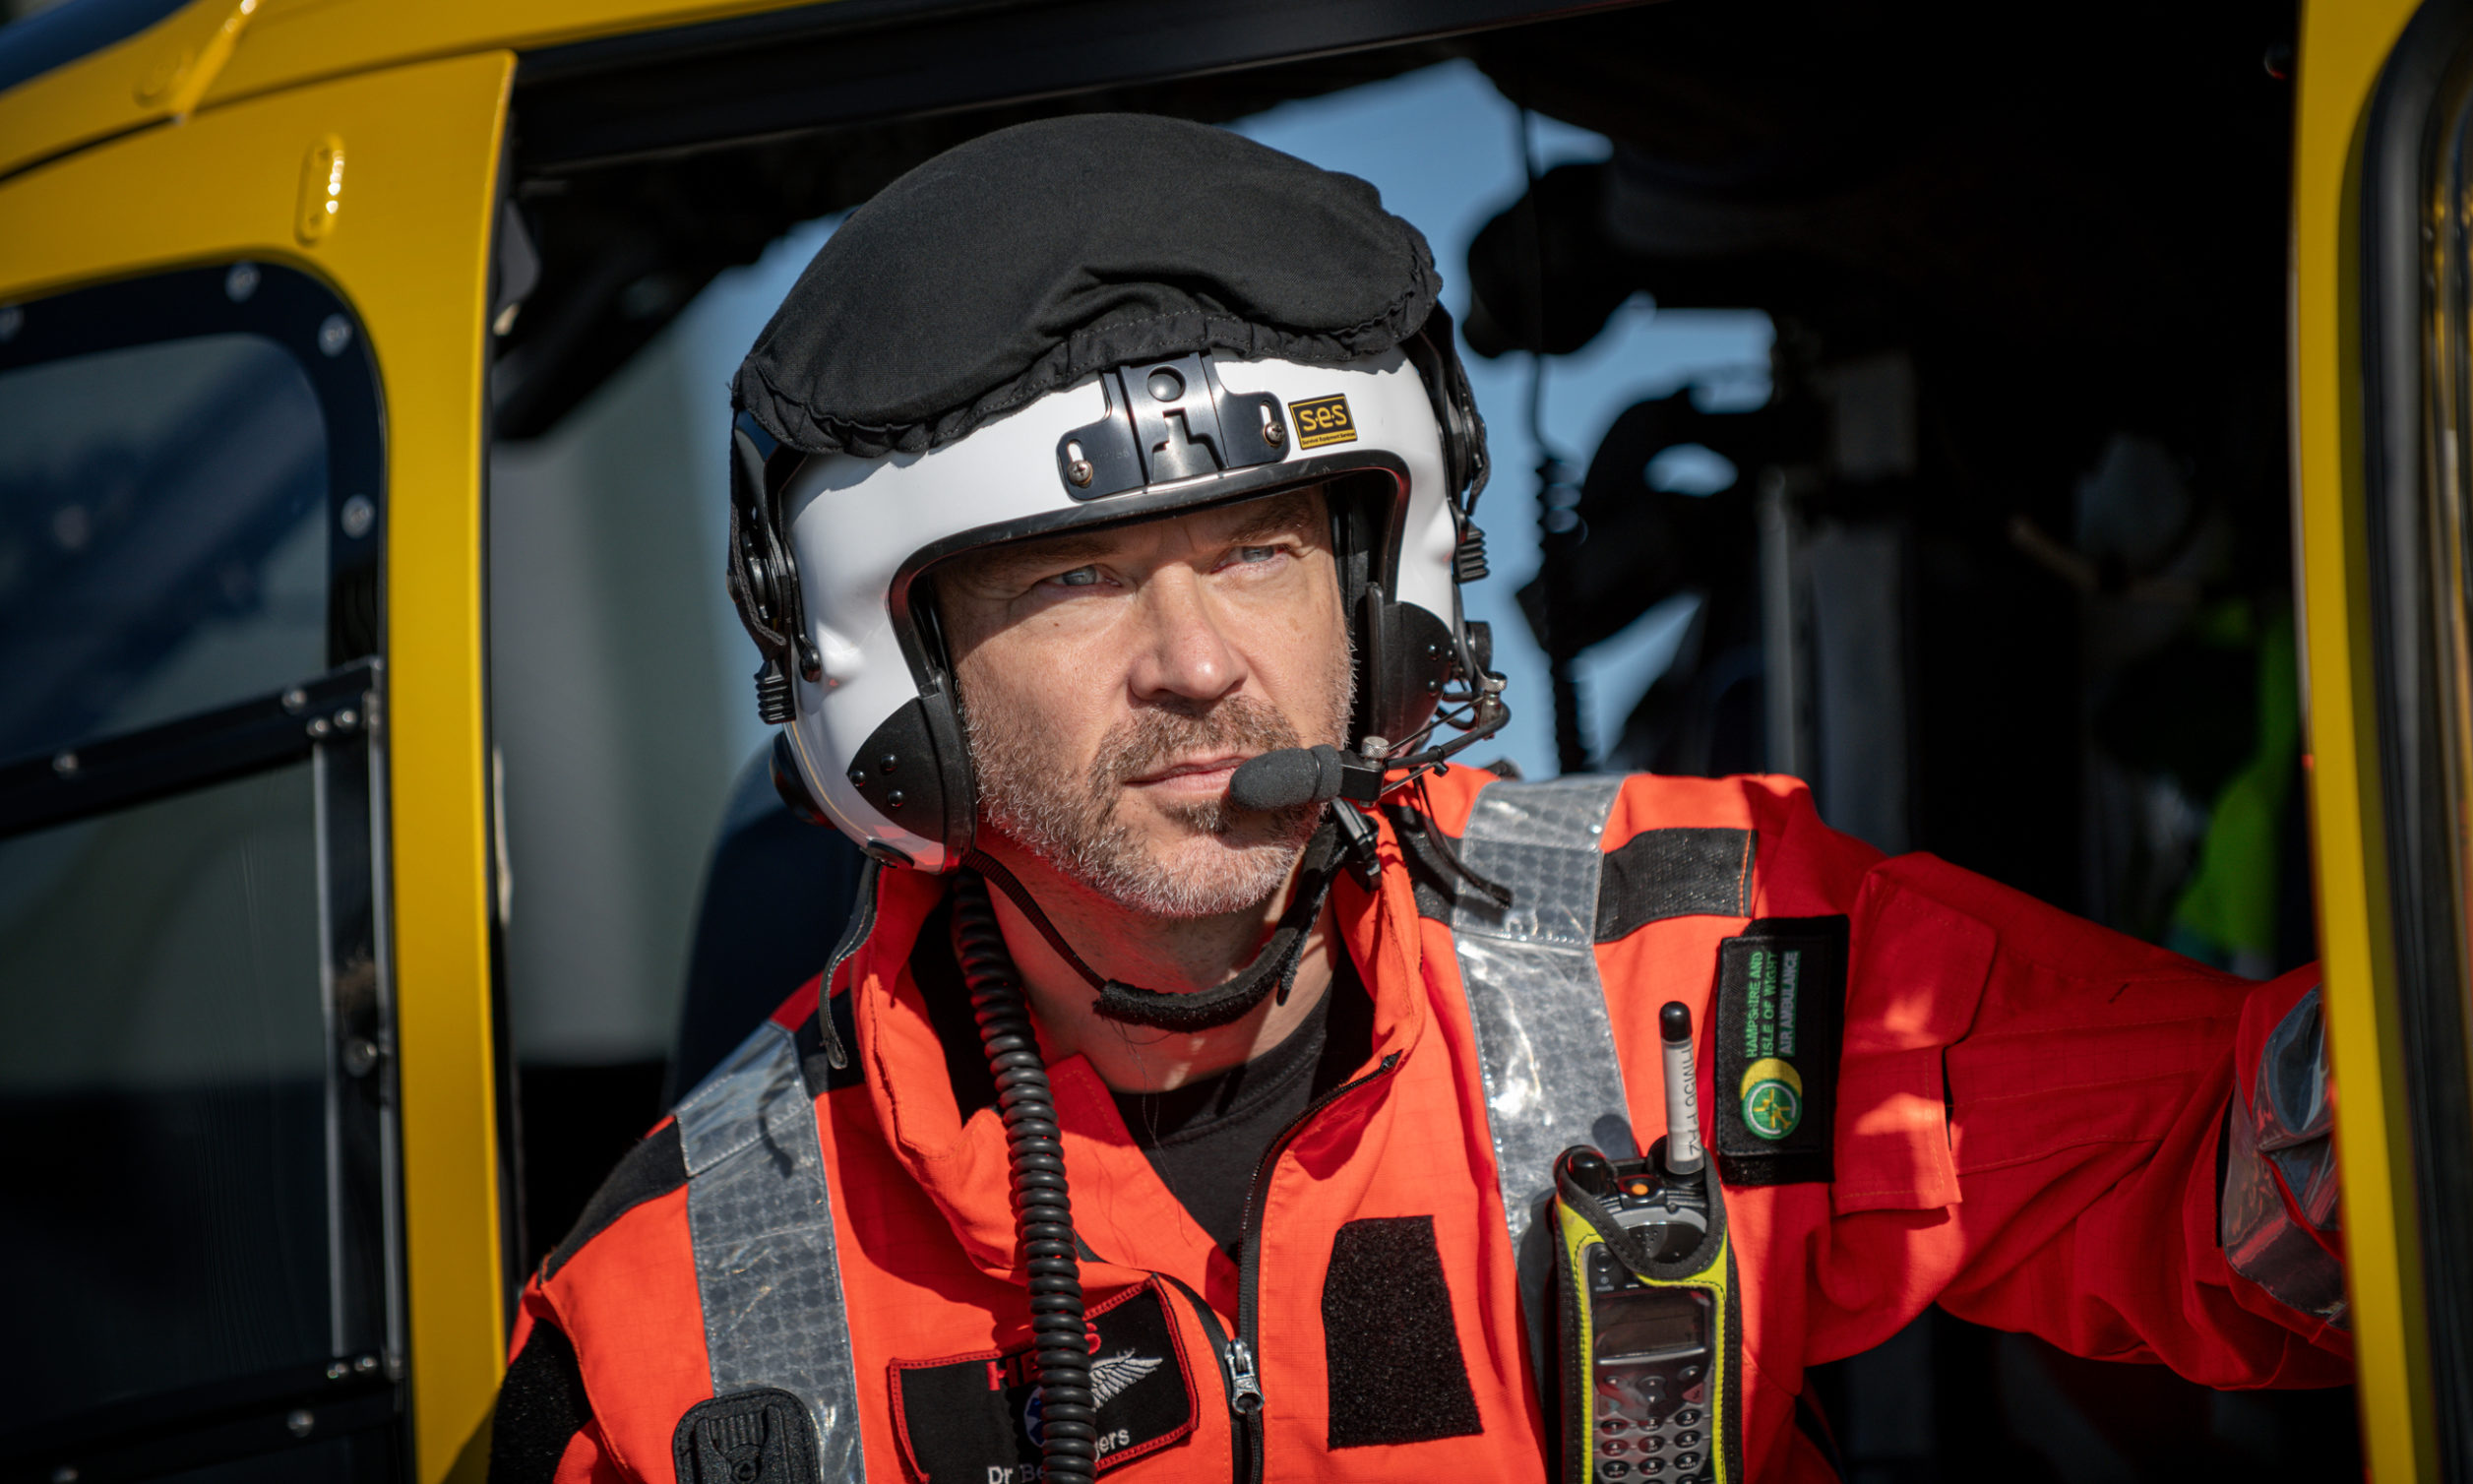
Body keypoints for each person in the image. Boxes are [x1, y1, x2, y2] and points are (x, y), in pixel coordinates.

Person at [487, 114, 2348, 1484]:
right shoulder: (683, 1316)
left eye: (1260, 550)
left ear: (1379, 604)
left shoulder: (1687, 960)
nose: (1198, 657)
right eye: (1071, 579)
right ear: (895, 689)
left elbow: (2216, 1178)